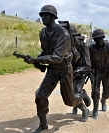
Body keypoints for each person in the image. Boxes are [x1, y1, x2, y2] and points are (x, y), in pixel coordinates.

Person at [25, 5, 82, 133]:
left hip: (64, 70)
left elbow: (57, 57)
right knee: (40, 96)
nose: (43, 18)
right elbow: (46, 51)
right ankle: (43, 124)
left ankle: (81, 99)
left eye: (46, 15)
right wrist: (36, 60)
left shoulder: (63, 33)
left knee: (69, 101)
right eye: (42, 15)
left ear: (53, 17)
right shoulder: (43, 33)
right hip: (52, 70)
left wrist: (36, 60)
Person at [88, 29, 109, 119]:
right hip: (95, 73)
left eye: (100, 38)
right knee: (95, 92)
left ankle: (103, 100)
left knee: (107, 92)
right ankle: (95, 110)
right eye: (96, 39)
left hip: (106, 73)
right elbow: (86, 61)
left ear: (103, 38)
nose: (98, 41)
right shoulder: (90, 48)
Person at [70, 25, 91, 122]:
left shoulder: (83, 46)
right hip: (69, 73)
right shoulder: (64, 45)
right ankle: (80, 99)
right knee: (68, 94)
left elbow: (87, 65)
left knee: (76, 93)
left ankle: (84, 110)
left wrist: (76, 71)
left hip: (81, 73)